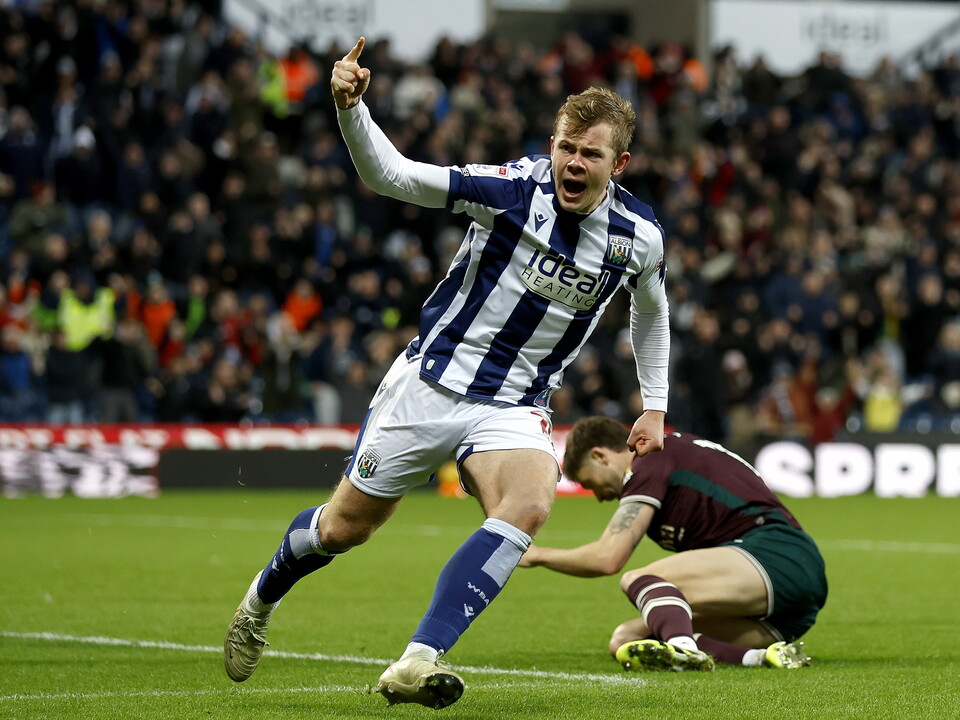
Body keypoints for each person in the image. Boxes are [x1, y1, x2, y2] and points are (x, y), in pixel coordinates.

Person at [223, 37, 671, 709]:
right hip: (429, 385)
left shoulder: (638, 236)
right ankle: (260, 601)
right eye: (565, 148)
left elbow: (652, 314)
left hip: (514, 402)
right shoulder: (512, 190)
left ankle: (417, 659)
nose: (573, 164)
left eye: (590, 154)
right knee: (343, 529)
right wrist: (351, 109)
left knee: (530, 504)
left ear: (620, 163)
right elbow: (394, 177)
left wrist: (655, 403)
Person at [520, 416, 827, 671]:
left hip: (775, 554)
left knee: (640, 579)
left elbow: (607, 558)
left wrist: (536, 555)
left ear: (600, 456)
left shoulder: (648, 459)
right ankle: (762, 657)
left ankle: (684, 651)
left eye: (591, 484)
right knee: (627, 638)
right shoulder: (673, 456)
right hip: (782, 615)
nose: (599, 497)